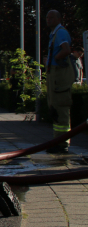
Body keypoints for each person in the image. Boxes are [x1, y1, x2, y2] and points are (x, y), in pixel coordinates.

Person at [45, 10, 74, 154]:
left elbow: (66, 50)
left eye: (51, 17)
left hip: (59, 77)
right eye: (47, 17)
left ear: (59, 19)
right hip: (55, 76)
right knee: (55, 108)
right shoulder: (54, 34)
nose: (48, 20)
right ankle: (58, 141)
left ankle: (62, 143)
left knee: (60, 109)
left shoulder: (61, 33)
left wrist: (56, 58)